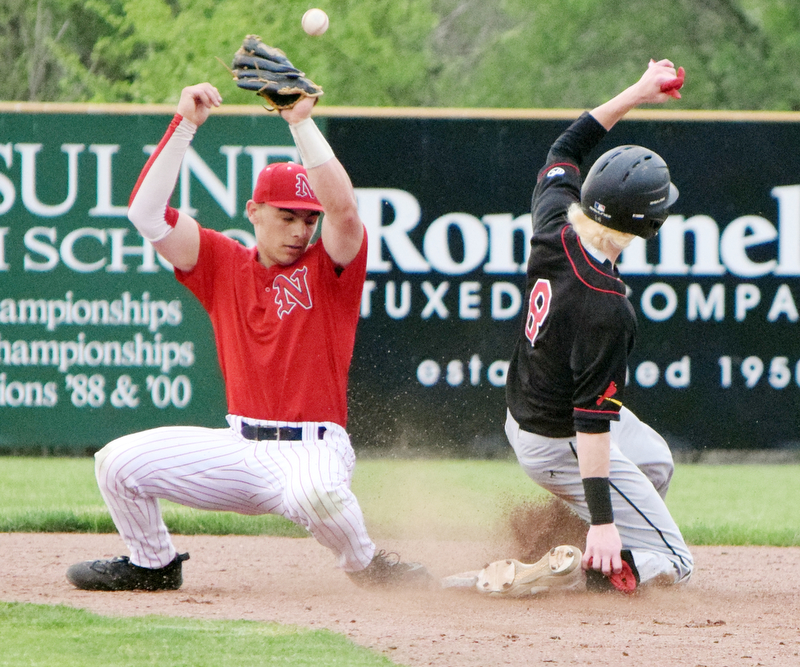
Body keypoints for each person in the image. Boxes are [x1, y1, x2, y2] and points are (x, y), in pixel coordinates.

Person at [66, 82, 430, 591]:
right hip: (239, 447)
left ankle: (368, 567)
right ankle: (153, 565)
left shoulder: (331, 269)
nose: (301, 230)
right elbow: (144, 216)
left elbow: (344, 211)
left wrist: (300, 122)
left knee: (316, 498)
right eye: (287, 216)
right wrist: (184, 123)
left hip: (312, 450)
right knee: (116, 462)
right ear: (254, 211)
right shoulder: (221, 263)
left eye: (308, 218)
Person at [498, 59, 694, 596]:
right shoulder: (606, 308)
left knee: (655, 465)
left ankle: (572, 544)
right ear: (647, 227)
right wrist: (605, 523)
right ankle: (576, 572)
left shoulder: (555, 223)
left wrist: (638, 89)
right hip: (557, 437)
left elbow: (565, 149)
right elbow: (590, 424)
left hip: (535, 410)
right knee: (673, 561)